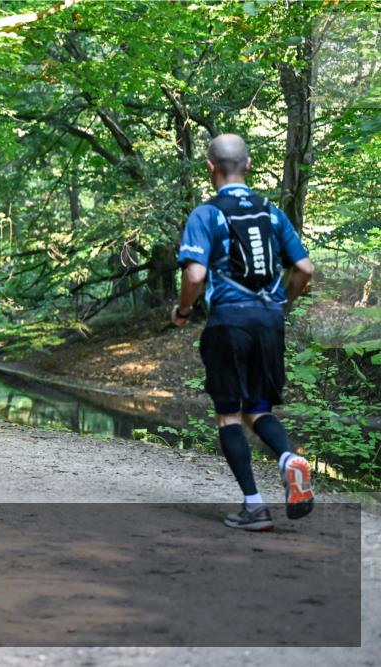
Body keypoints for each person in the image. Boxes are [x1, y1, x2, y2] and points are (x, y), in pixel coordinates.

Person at [172, 133, 315, 531]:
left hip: (230, 322)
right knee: (259, 409)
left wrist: (183, 310)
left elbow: (196, 273)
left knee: (229, 415)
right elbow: (305, 269)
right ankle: (289, 459)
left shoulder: (206, 214)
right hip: (269, 320)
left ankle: (254, 505)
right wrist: (282, 305)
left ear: (210, 168)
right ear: (248, 165)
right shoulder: (271, 212)